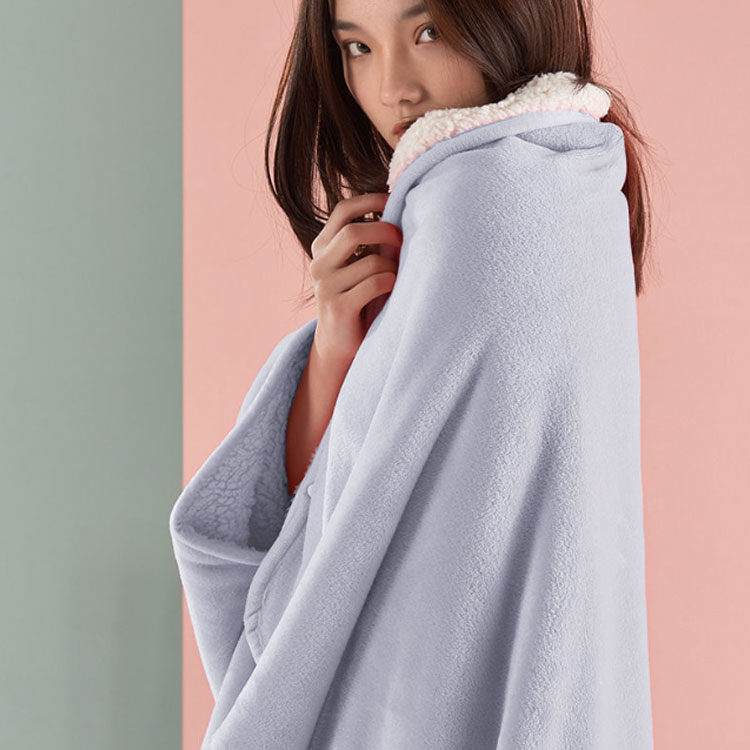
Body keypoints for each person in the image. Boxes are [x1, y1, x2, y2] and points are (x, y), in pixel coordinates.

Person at [169, 1, 658, 748]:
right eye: (357, 48)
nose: (392, 88)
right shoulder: (574, 179)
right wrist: (337, 348)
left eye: (427, 33)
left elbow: (325, 566)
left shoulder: (487, 202)